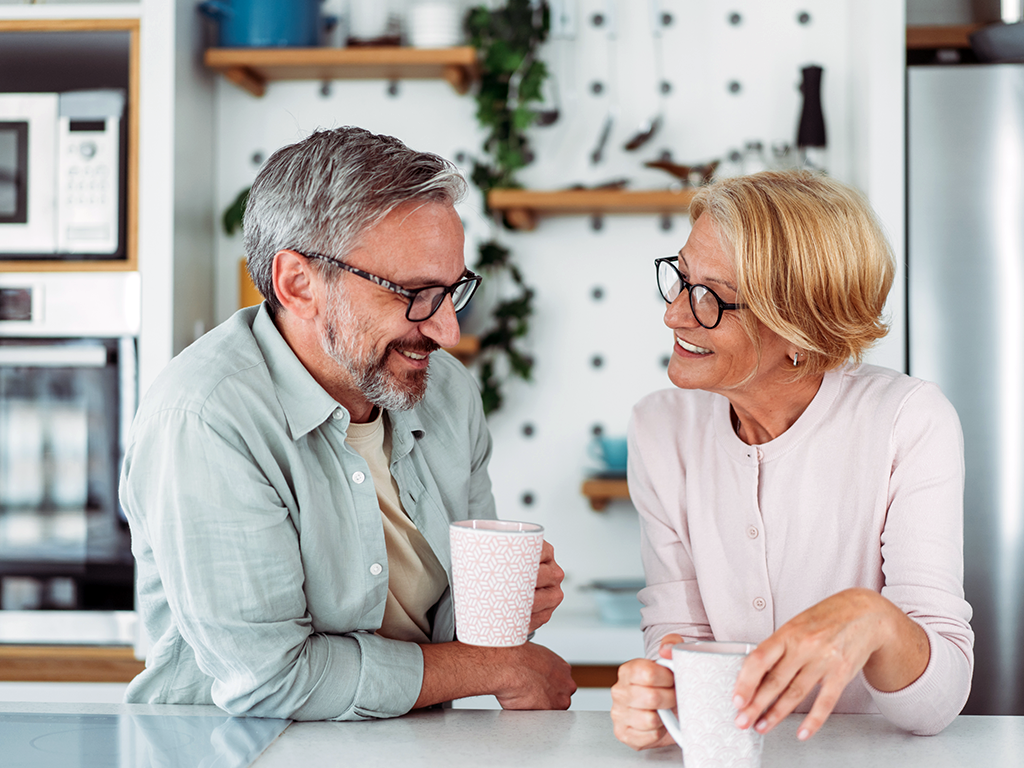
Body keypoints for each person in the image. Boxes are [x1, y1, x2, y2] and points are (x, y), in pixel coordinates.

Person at [119, 126, 576, 720]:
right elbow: (271, 680)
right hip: (234, 752)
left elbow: (454, 627)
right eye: (414, 293)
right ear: (298, 284)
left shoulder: (448, 394)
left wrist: (509, 601)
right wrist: (495, 668)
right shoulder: (206, 420)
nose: (447, 332)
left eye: (452, 291)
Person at [610, 170, 973, 748]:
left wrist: (872, 619)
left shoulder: (908, 420)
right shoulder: (659, 429)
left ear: (798, 330)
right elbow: (679, 634)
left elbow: (939, 700)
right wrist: (660, 693)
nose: (675, 314)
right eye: (681, 278)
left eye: (712, 296)